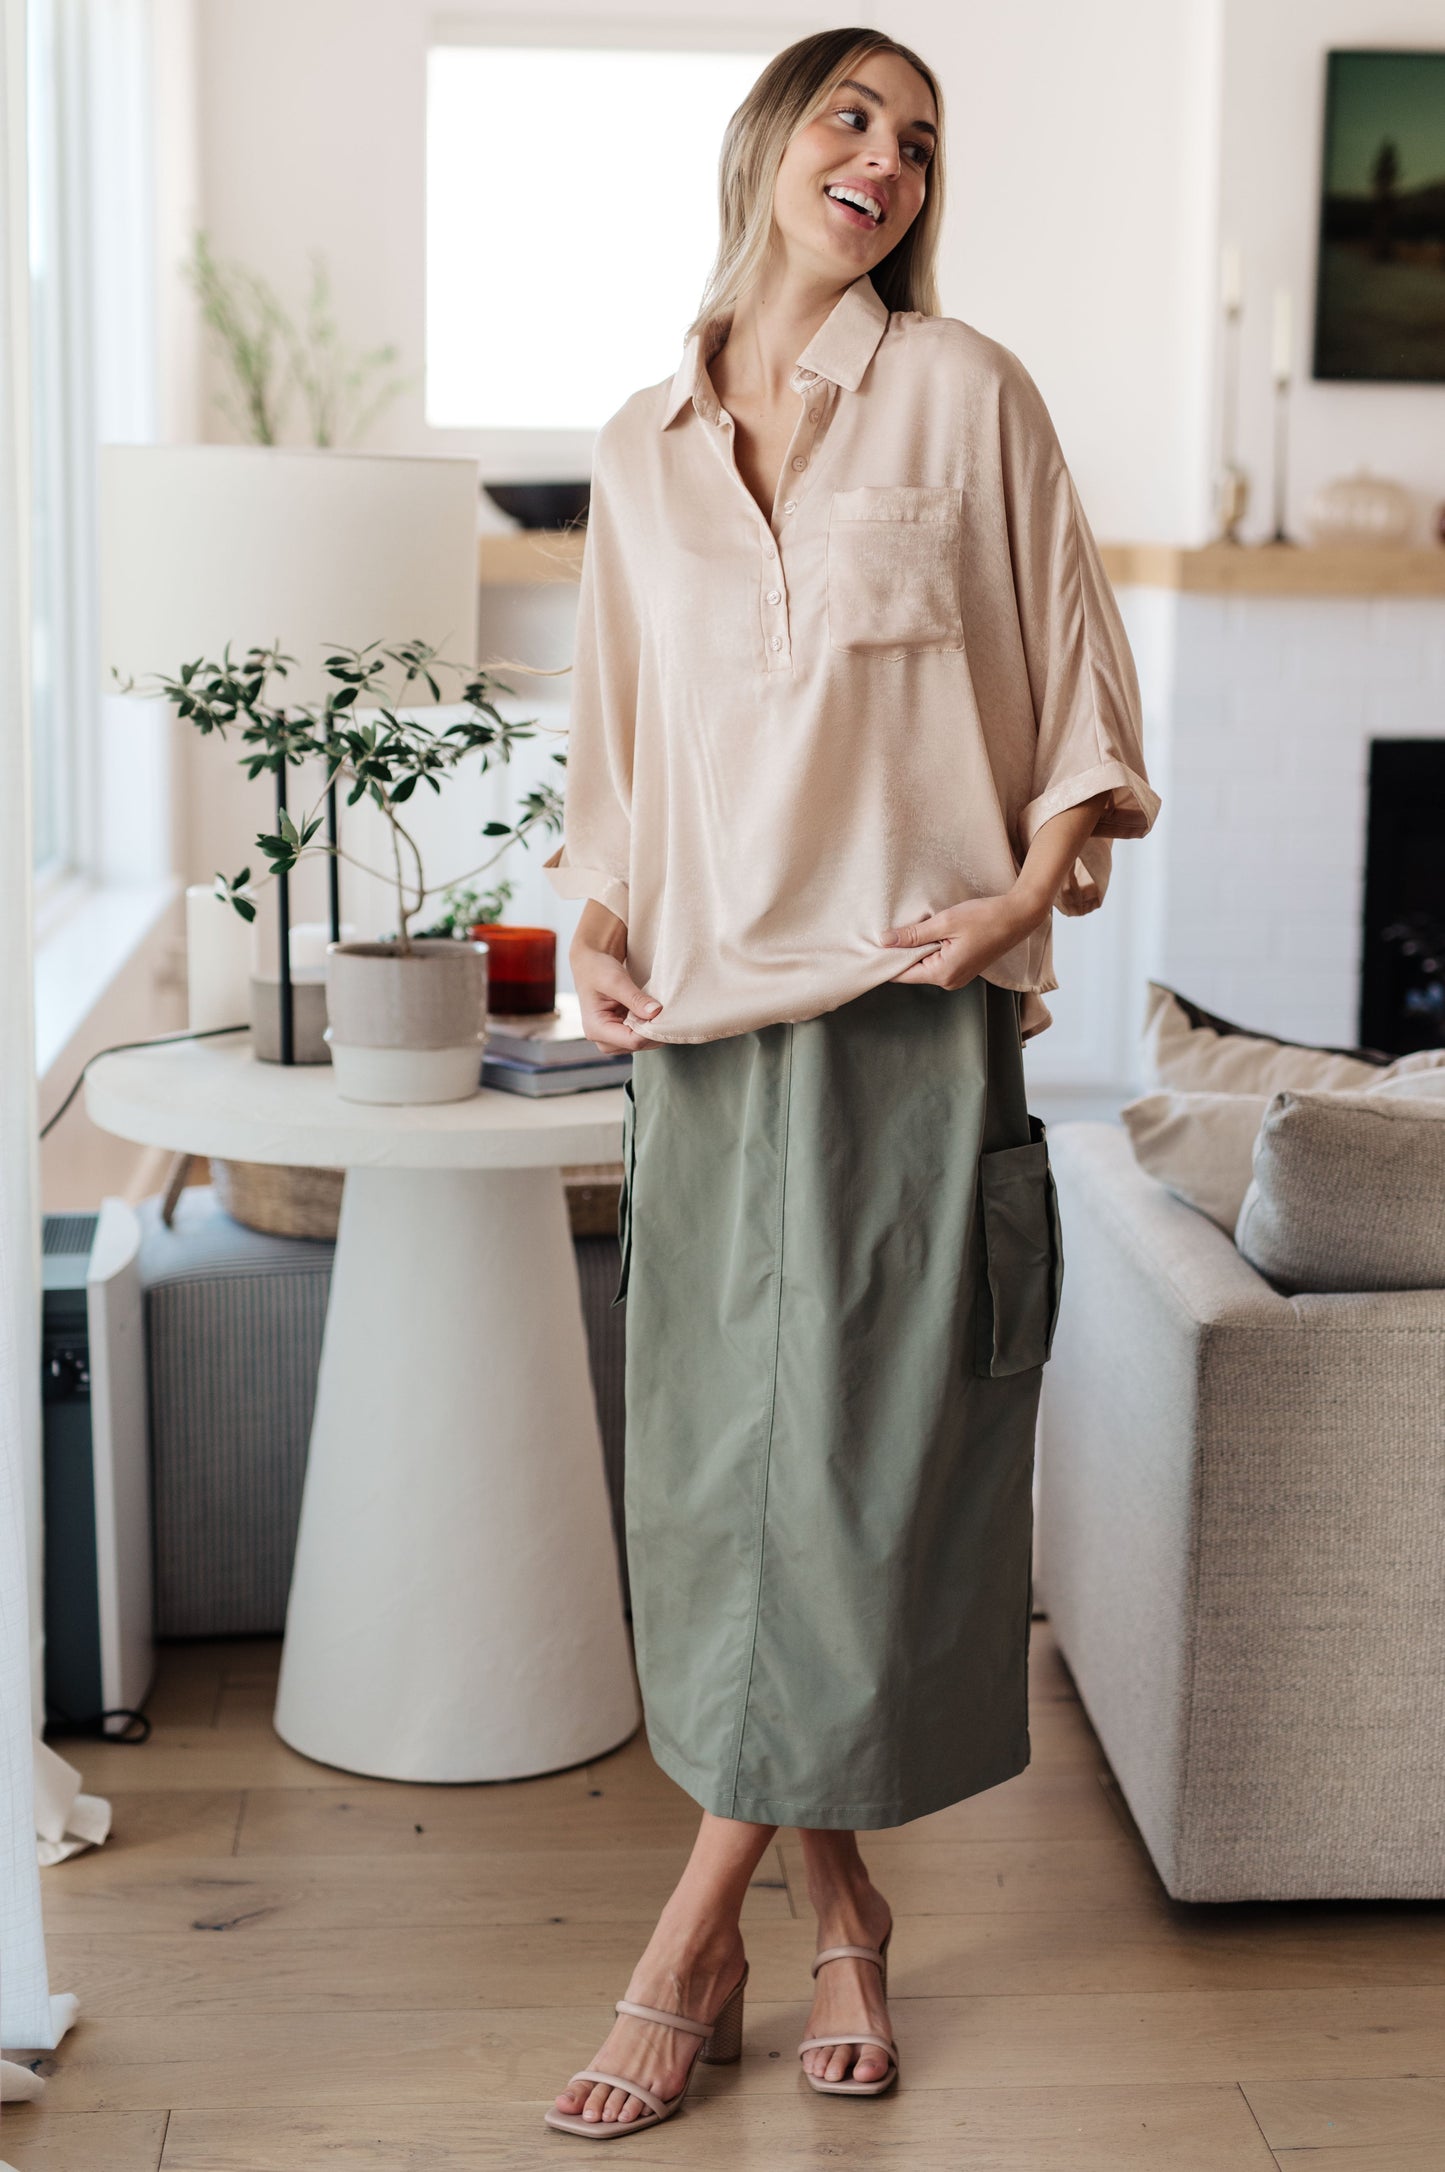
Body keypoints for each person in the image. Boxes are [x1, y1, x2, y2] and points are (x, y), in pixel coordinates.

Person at [541, 24, 1160, 2141]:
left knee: (870, 1493)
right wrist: (599, 921)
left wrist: (1014, 905)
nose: (886, 160)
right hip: (706, 1040)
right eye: (851, 117)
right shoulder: (640, 447)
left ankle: (686, 1937)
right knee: (735, 1501)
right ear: (768, 144)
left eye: (918, 137)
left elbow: (1081, 694)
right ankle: (845, 1914)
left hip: (911, 1018)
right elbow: (618, 746)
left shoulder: (967, 391)